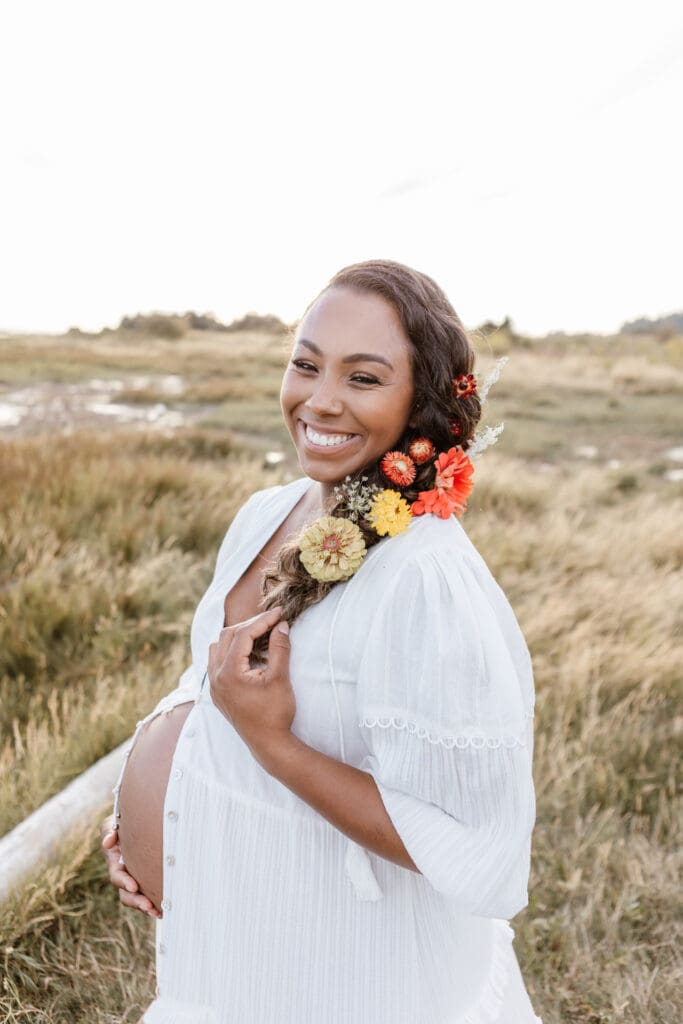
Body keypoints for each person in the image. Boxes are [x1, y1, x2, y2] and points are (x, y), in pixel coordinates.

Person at [101, 259, 542, 1023]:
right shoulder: (265, 513)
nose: (320, 399)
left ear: (423, 403)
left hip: (347, 973)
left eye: (364, 378)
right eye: (305, 364)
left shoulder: (423, 576)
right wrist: (153, 824)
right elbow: (209, 689)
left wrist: (274, 744)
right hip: (239, 936)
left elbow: (477, 851)